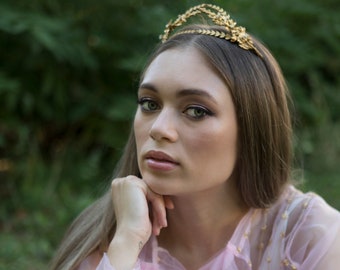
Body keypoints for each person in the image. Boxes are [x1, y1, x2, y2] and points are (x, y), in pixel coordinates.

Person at [50, 4, 340, 270]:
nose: (159, 128)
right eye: (150, 104)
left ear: (252, 128)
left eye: (196, 111)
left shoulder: (308, 239)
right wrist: (126, 241)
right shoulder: (106, 240)